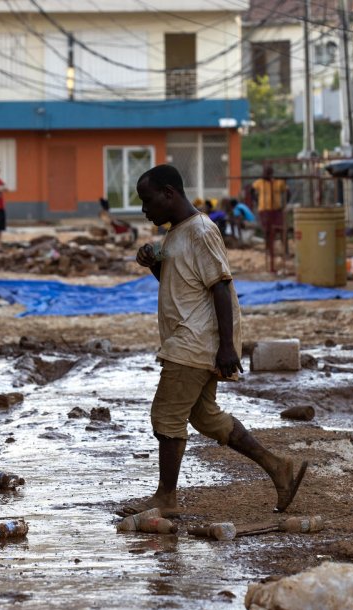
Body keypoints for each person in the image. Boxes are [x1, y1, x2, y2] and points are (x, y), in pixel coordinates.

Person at [124, 164, 308, 517]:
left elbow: (221, 286)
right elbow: (180, 281)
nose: (144, 210)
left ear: (168, 193)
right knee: (204, 416)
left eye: (147, 201)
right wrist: (152, 264)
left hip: (194, 341)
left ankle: (166, 497)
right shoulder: (177, 233)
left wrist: (227, 346)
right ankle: (277, 467)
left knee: (167, 415)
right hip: (190, 338)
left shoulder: (202, 231)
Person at [249, 165, 289, 274]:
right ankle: (269, 251)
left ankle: (285, 251)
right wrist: (256, 200)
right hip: (264, 210)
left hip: (276, 210)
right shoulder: (259, 183)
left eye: (268, 173)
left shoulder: (278, 183)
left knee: (281, 229)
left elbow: (287, 191)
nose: (266, 175)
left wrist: (285, 204)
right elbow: (251, 190)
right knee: (267, 231)